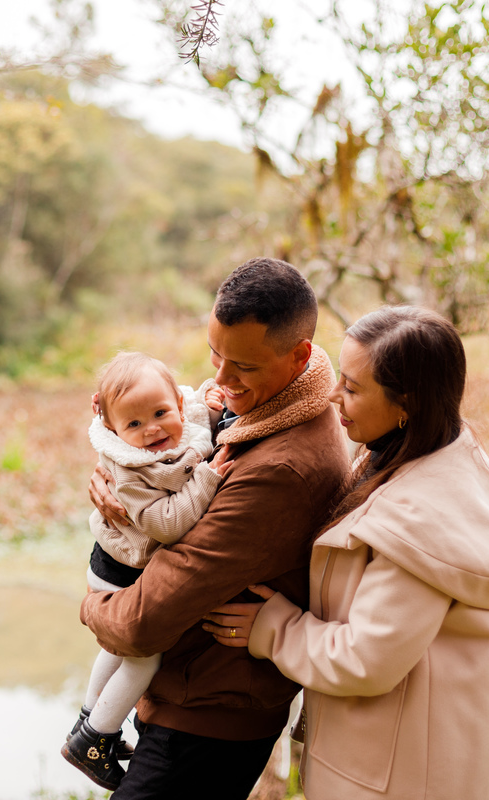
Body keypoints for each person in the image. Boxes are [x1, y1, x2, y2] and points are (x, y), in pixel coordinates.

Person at [202, 306, 489, 800]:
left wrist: (270, 628)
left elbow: (365, 658)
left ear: (407, 403)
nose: (334, 395)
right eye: (341, 378)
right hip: (402, 757)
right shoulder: (407, 450)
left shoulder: (422, 522)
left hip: (408, 778)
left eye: (354, 388)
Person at [80, 257, 350, 799]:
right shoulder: (263, 408)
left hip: (206, 724)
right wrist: (125, 480)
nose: (221, 380)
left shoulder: (281, 470)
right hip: (186, 698)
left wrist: (91, 606)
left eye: (242, 367)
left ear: (299, 355)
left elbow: (144, 620)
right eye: (215, 354)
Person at [62, 351, 235, 789]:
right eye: (134, 425)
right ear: (112, 430)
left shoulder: (183, 413)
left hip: (115, 562)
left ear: (177, 401)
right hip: (119, 570)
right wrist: (208, 478)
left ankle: (88, 721)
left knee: (118, 652)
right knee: (144, 658)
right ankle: (97, 738)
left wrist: (211, 404)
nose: (152, 430)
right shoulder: (129, 470)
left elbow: (193, 410)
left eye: (161, 413)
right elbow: (166, 523)